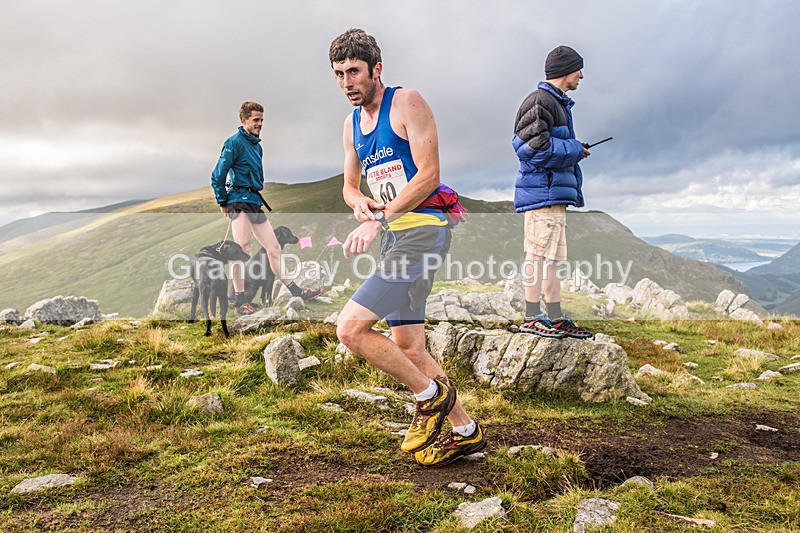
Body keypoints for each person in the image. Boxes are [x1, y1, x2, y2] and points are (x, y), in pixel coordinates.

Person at [329, 28, 486, 467]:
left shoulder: (406, 102)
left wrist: (380, 219)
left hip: (422, 233)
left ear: (376, 69)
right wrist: (359, 201)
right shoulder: (351, 124)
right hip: (396, 237)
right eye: (339, 74)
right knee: (410, 347)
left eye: (354, 72)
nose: (346, 82)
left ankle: (429, 396)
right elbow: (348, 183)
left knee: (350, 329)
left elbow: (430, 174)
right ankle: (465, 431)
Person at [210, 101, 322, 315]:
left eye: (262, 120)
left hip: (254, 201)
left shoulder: (256, 146)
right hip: (238, 200)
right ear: (244, 120)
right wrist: (223, 201)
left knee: (274, 248)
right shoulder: (233, 143)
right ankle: (239, 301)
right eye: (256, 120)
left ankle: (297, 291)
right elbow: (217, 174)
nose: (260, 124)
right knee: (242, 249)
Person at [512, 45, 593, 338]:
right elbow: (532, 148)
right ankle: (531, 316)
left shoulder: (556, 103)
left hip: (553, 196)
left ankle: (554, 316)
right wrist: (573, 149)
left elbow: (546, 144)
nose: (581, 75)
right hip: (541, 194)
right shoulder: (539, 101)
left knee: (553, 259)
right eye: (577, 69)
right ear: (565, 71)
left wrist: (574, 149)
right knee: (537, 255)